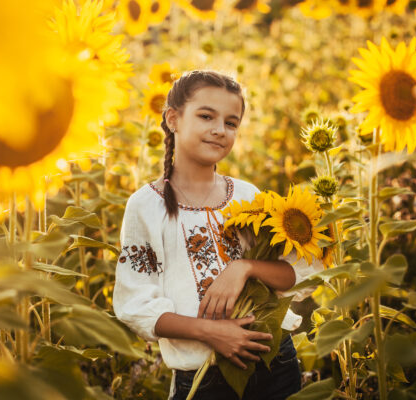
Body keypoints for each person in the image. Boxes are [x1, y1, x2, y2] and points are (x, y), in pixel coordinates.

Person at [113, 70, 322, 400]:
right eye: (206, 116)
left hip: (275, 361)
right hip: (204, 378)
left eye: (231, 122)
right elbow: (135, 303)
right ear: (173, 118)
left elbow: (294, 273)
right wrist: (211, 332)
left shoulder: (246, 196)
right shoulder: (146, 206)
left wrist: (243, 268)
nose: (219, 130)